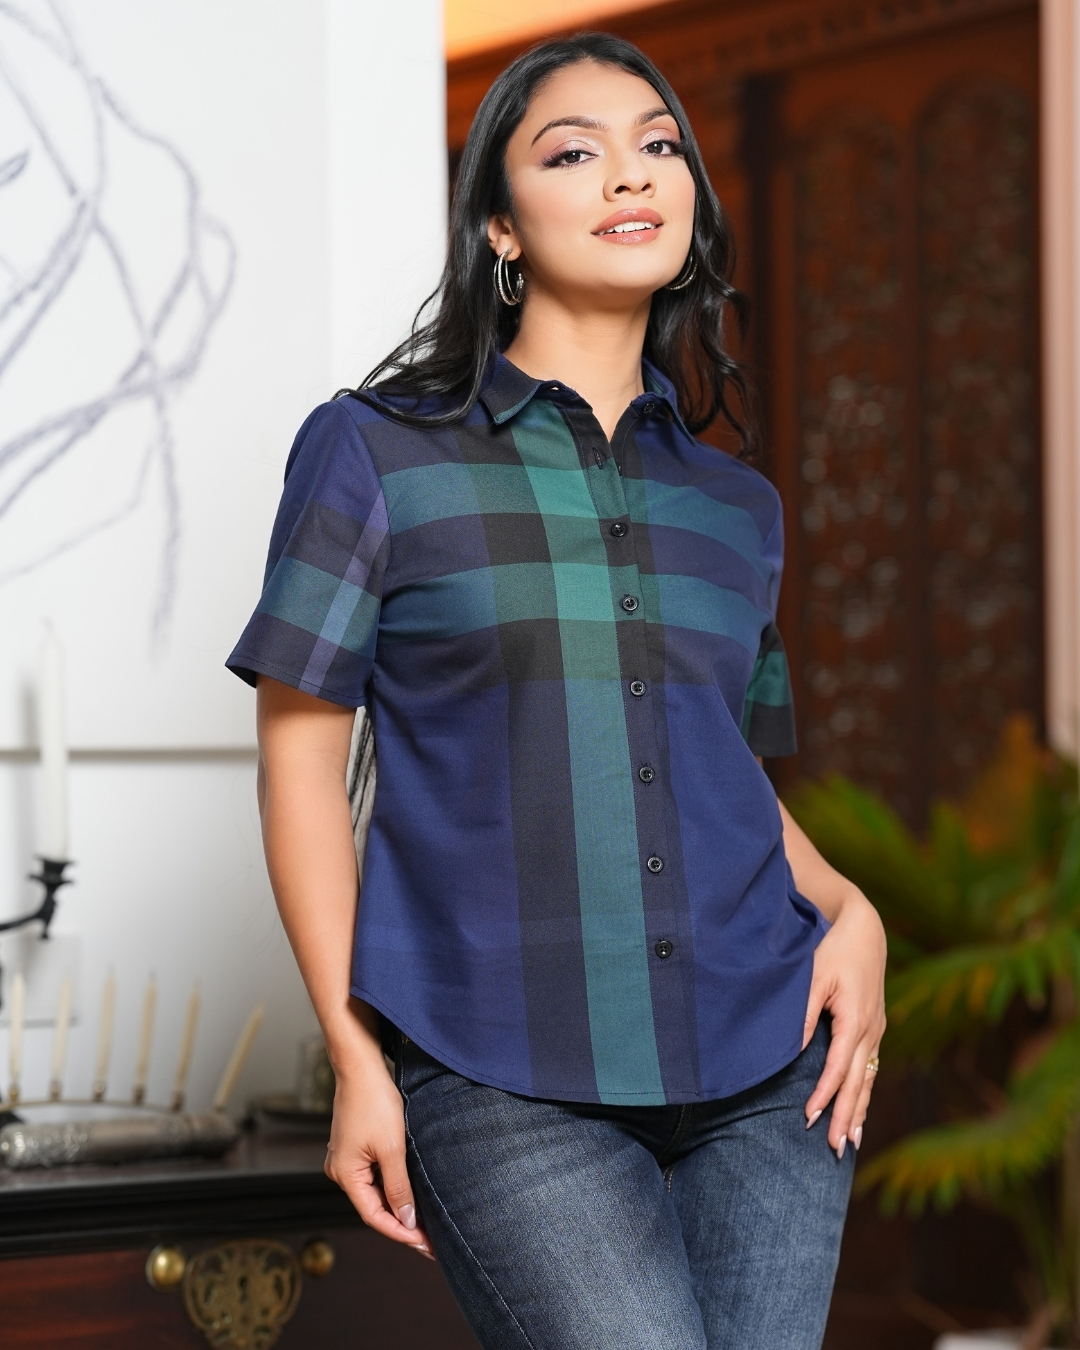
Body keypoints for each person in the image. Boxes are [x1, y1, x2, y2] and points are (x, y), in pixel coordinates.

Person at [227, 32, 887, 1350]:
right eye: (573, 152)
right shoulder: (374, 453)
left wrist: (848, 905)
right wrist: (356, 1055)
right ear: (500, 225)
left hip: (771, 1065)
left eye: (659, 146)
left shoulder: (735, 506)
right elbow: (300, 767)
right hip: (500, 1070)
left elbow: (718, 768)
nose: (630, 174)